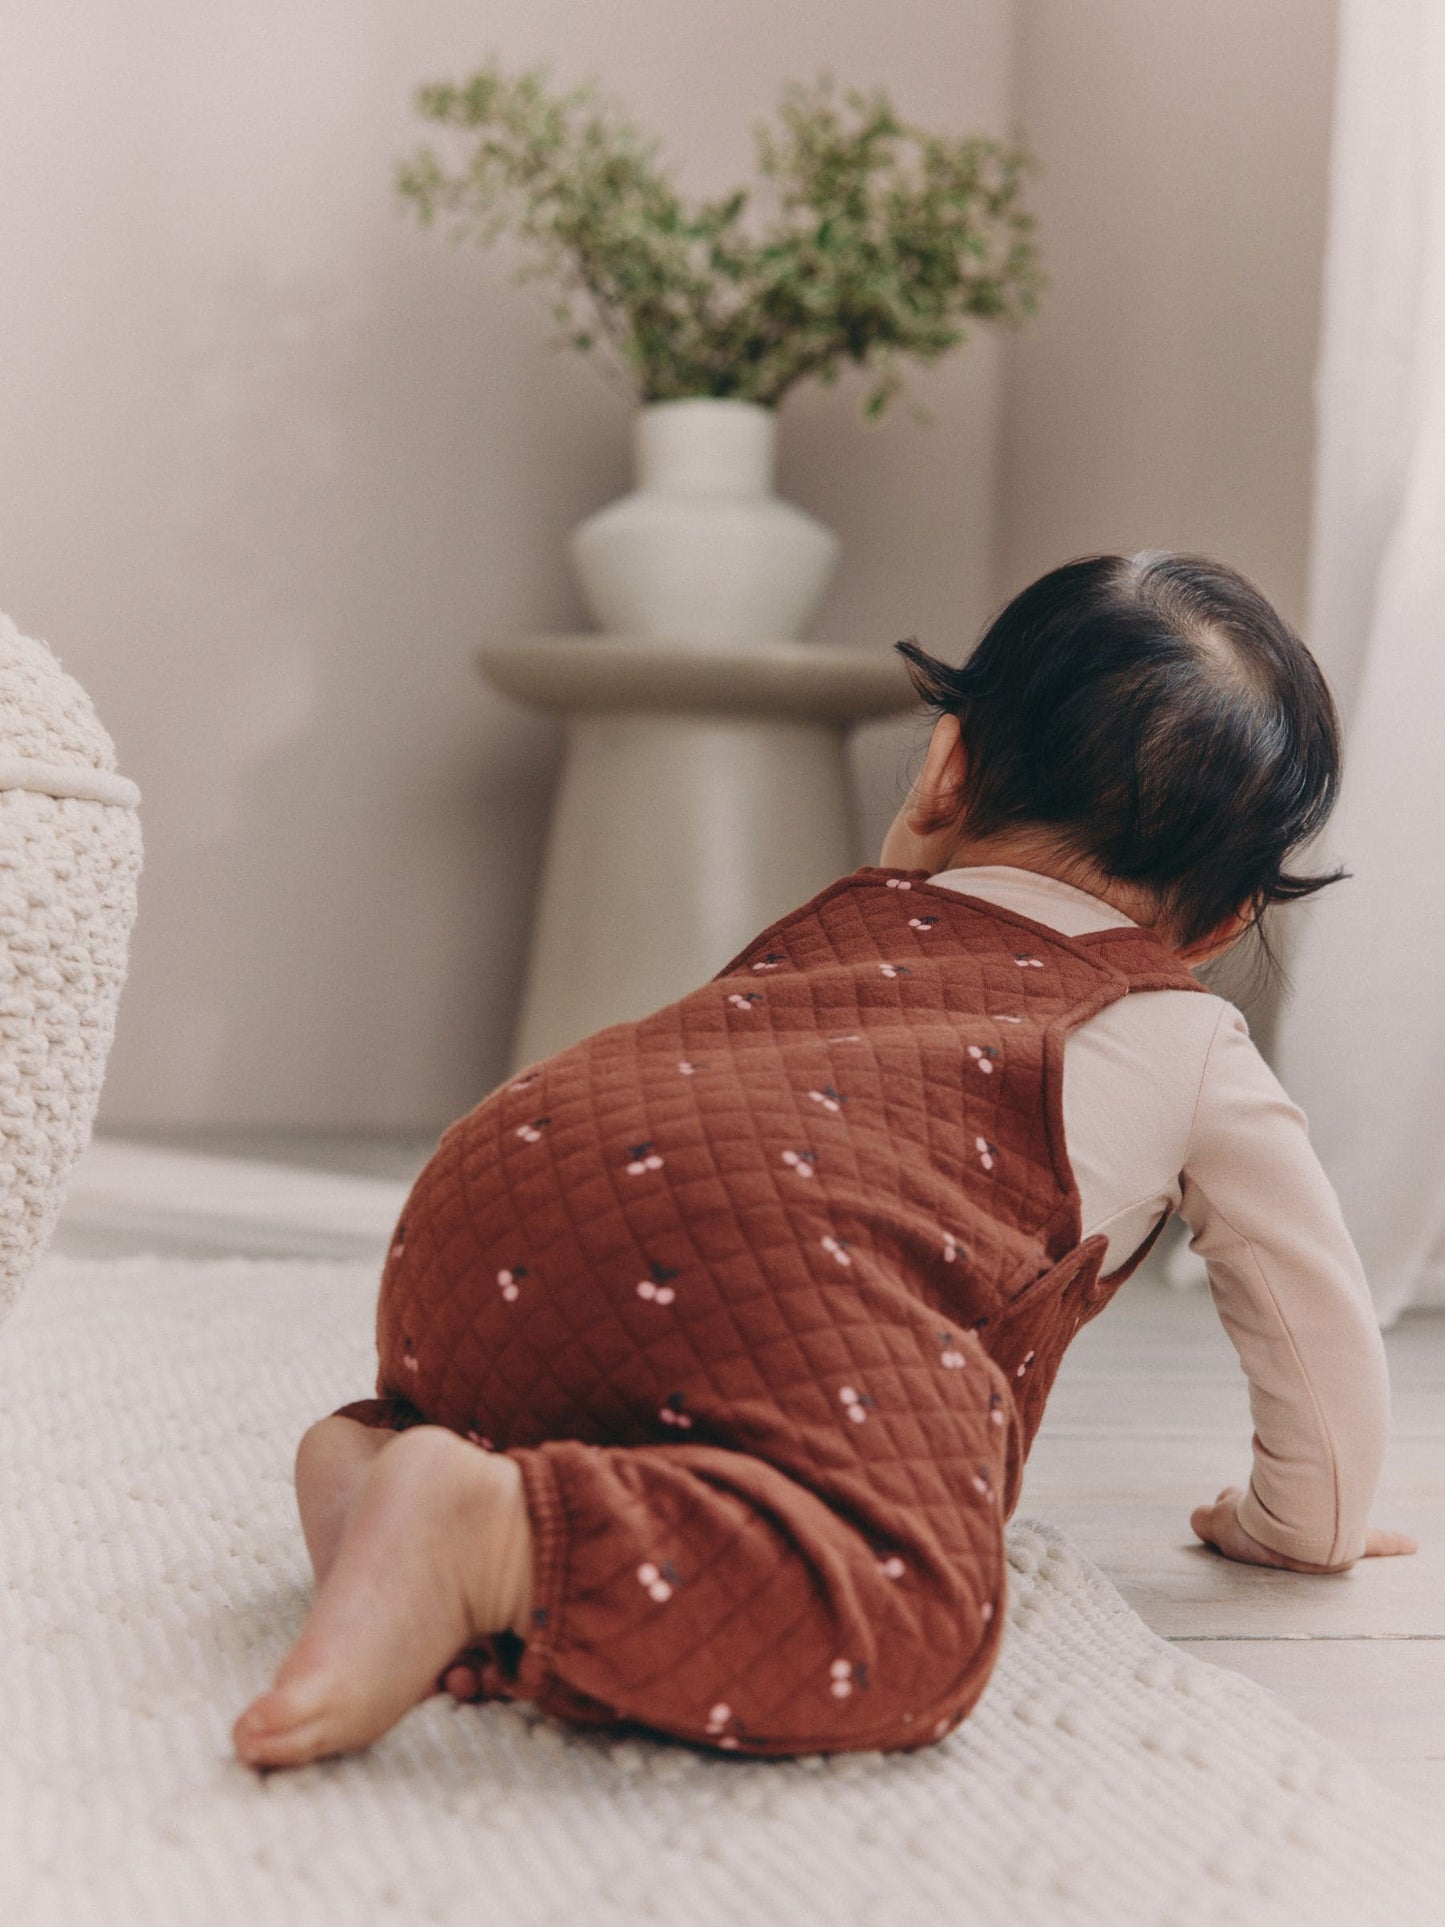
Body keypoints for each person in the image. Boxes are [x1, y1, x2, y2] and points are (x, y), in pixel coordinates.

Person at [233, 550, 1417, 1773]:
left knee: (651, 1386)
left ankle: (382, 1462)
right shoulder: (1190, 1043)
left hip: (490, 1200)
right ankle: (486, 1538)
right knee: (912, 1617)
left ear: (945, 769)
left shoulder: (851, 915)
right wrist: (1303, 1526)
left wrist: (918, 847)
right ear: (1225, 924)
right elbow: (1311, 1319)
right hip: (762, 1254)